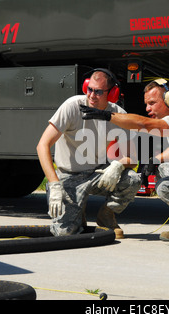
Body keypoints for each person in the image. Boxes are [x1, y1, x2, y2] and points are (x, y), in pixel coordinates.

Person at [81, 79, 169, 245]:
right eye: (146, 104)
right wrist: (153, 160)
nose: (147, 108)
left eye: (152, 103)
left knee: (164, 186)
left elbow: (144, 124)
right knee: (165, 168)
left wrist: (108, 116)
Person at [36, 69, 140, 239]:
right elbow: (42, 145)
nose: (92, 95)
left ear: (112, 93)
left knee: (132, 180)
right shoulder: (72, 106)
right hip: (69, 177)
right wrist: (54, 184)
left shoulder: (118, 115)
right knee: (65, 234)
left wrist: (118, 165)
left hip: (97, 173)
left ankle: (106, 215)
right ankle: (78, 212)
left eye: (98, 91)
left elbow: (133, 157)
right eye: (89, 89)